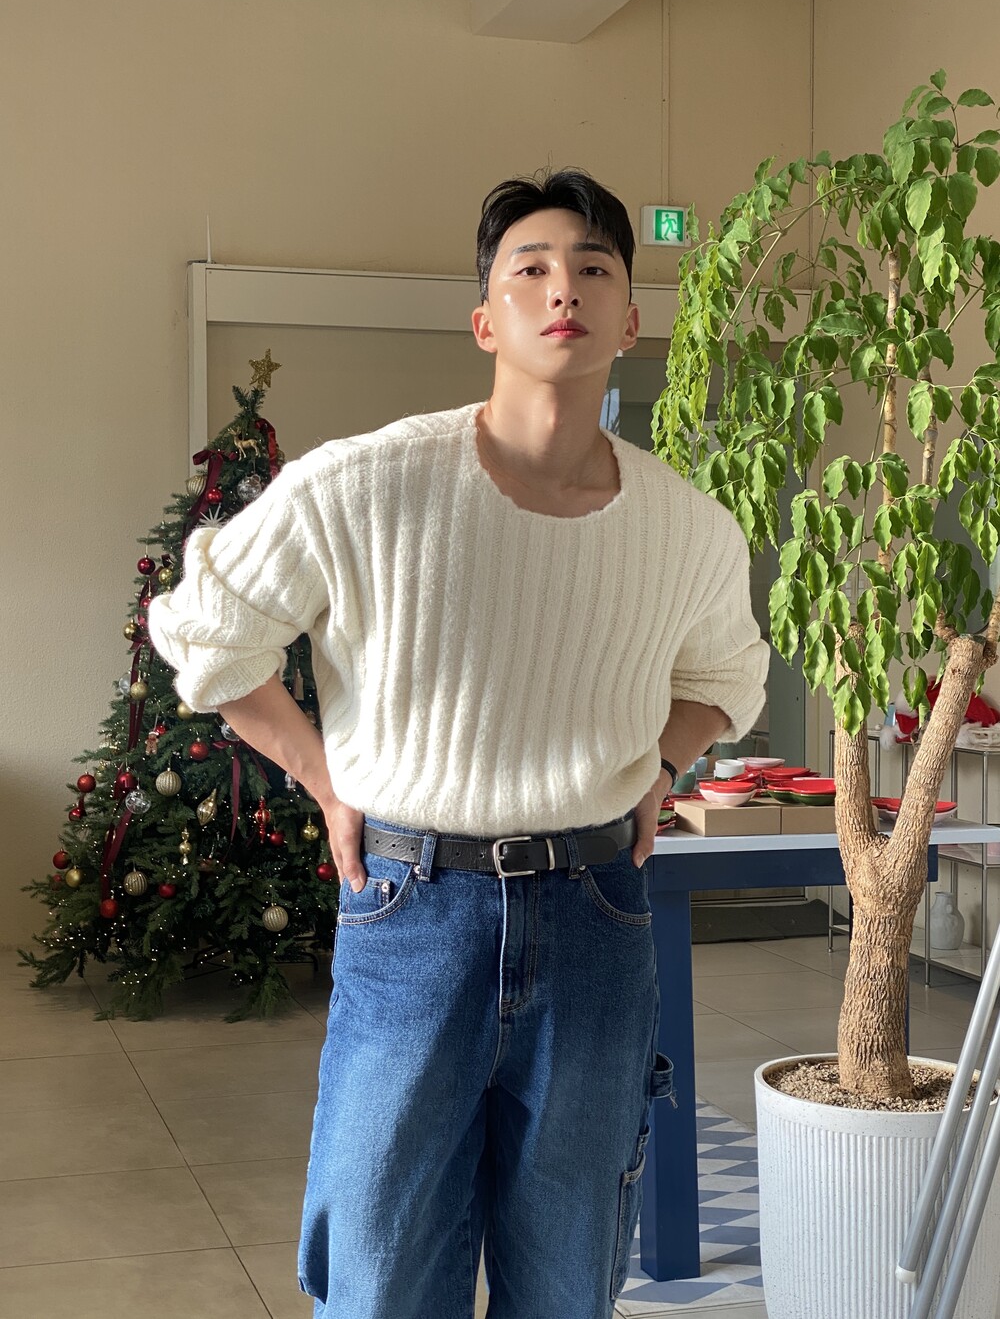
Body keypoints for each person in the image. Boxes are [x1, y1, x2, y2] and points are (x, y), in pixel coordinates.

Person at [148, 169, 769, 1319]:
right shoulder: (368, 483)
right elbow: (203, 632)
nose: (563, 288)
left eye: (592, 267)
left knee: (569, 1274)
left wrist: (660, 764)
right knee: (382, 1273)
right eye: (530, 268)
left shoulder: (687, 526)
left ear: (631, 319)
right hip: (413, 909)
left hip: (595, 913)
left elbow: (725, 674)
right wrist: (322, 775)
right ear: (484, 319)